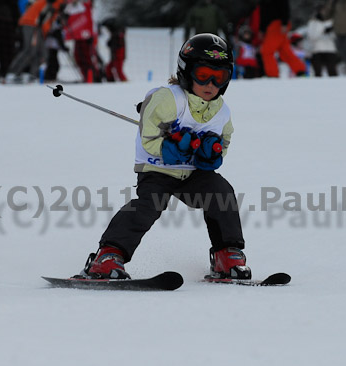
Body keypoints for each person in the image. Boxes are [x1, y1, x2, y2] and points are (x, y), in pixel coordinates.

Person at [79, 33, 251, 281]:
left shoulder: (221, 112)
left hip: (193, 174)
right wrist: (173, 147)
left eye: (220, 77)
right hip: (157, 171)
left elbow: (222, 146)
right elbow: (148, 139)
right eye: (203, 75)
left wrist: (209, 153)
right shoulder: (168, 100)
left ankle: (227, 254)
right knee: (150, 204)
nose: (211, 83)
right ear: (186, 71)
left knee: (221, 192)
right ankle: (108, 255)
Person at [258, 0, 306, 78]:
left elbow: (284, 5)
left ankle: (272, 74)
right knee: (284, 51)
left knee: (267, 51)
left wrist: (284, 23)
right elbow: (264, 13)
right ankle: (300, 71)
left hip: (277, 24)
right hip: (272, 26)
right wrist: (262, 29)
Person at [306, 4, 338, 77]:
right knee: (318, 72)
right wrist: (323, 31)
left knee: (332, 72)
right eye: (322, 11)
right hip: (317, 49)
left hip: (330, 49)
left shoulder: (332, 21)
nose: (324, 13)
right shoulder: (313, 23)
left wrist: (330, 32)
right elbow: (311, 36)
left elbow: (336, 36)